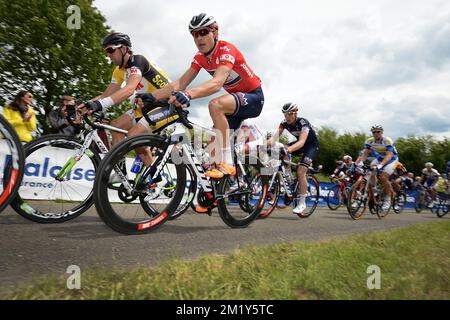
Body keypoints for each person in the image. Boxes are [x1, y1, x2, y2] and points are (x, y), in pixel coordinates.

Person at [133, 13, 264, 179]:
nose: (199, 38)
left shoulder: (226, 49)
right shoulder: (200, 58)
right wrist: (152, 96)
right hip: (235, 105)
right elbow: (180, 83)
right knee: (211, 150)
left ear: (215, 32)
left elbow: (217, 83)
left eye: (203, 32)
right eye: (194, 34)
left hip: (254, 97)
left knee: (215, 105)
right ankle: (211, 194)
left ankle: (229, 164)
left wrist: (188, 94)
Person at [78, 32, 171, 167]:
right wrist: (87, 105)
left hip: (167, 104)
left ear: (124, 49)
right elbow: (106, 95)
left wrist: (99, 105)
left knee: (133, 137)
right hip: (145, 106)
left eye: (110, 50)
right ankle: (119, 170)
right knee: (116, 126)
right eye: (105, 52)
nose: (108, 55)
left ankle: (155, 181)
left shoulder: (139, 61)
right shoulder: (118, 70)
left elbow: (129, 90)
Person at [267, 102, 319, 215]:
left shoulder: (303, 122)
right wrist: (262, 146)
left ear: (295, 113)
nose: (287, 117)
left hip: (310, 145)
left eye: (290, 114)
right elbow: (274, 138)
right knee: (282, 148)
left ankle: (302, 203)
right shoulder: (284, 123)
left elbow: (301, 142)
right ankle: (289, 177)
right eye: (285, 114)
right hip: (299, 144)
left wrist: (289, 150)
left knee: (301, 171)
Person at [355, 125, 399, 211]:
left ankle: (388, 199)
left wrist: (381, 165)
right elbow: (365, 154)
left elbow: (389, 155)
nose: (376, 133)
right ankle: (374, 188)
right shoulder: (369, 141)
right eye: (374, 132)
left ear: (382, 132)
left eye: (378, 131)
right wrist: (360, 162)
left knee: (383, 177)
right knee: (370, 171)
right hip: (380, 158)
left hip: (392, 159)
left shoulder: (387, 140)